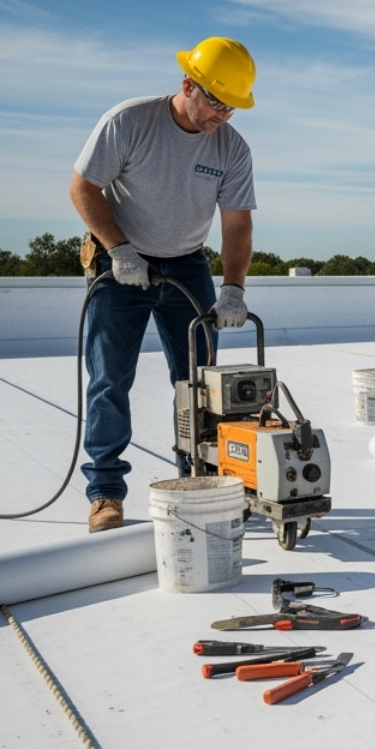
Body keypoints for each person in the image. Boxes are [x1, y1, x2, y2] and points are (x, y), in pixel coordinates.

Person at [71, 36, 258, 533]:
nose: (223, 114)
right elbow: (82, 187)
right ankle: (106, 492)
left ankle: (200, 482)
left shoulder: (231, 147)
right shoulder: (129, 121)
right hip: (121, 265)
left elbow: (236, 223)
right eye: (217, 101)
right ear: (188, 85)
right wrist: (118, 248)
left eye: (233, 107)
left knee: (201, 385)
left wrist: (233, 287)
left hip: (186, 265)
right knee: (110, 380)